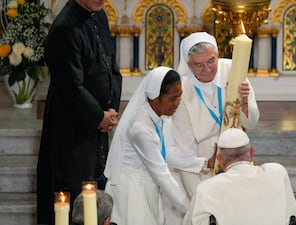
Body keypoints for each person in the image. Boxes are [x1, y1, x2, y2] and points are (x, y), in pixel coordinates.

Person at [36, 0, 122, 224]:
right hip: (72, 130)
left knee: (97, 190)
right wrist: (98, 117)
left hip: (96, 125)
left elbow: (111, 66)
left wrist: (112, 107)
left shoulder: (99, 15)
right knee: (75, 191)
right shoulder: (65, 28)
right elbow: (71, 86)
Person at [104, 66, 213, 225]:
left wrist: (204, 162)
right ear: (156, 98)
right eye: (173, 98)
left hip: (147, 185)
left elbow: (166, 153)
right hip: (132, 191)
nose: (177, 103)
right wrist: (191, 208)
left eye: (180, 96)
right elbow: (161, 172)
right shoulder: (140, 128)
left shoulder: (157, 116)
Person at [172, 32, 260, 198]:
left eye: (211, 61)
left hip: (236, 157)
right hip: (202, 163)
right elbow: (184, 149)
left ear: (217, 56)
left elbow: (252, 123)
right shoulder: (181, 90)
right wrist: (199, 199)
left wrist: (245, 101)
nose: (207, 69)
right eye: (199, 65)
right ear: (189, 65)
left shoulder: (233, 69)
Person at [183, 128, 296, 225]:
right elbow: (294, 217)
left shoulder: (206, 189)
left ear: (219, 159)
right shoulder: (277, 173)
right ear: (251, 152)